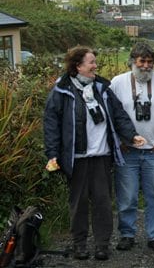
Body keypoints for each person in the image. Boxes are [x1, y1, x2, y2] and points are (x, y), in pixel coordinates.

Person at [43, 46, 146, 261]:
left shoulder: (102, 89)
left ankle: (102, 245)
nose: (95, 66)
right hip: (76, 158)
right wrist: (52, 153)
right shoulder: (61, 91)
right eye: (91, 62)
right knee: (78, 204)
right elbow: (51, 125)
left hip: (101, 156)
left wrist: (131, 135)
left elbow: (119, 115)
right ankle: (79, 245)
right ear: (78, 66)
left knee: (102, 202)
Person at [110, 42, 154, 254]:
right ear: (133, 61)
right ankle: (127, 234)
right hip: (127, 151)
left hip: (153, 150)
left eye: (150, 62)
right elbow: (112, 116)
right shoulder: (118, 83)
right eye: (142, 61)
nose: (146, 65)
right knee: (127, 196)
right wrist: (119, 142)